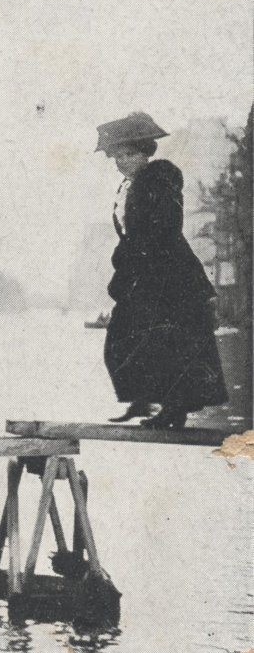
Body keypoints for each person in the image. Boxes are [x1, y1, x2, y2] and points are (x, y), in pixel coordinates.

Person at [96, 112, 227, 429]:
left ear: (145, 153)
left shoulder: (160, 179)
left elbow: (166, 226)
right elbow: (129, 233)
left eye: (128, 154)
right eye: (117, 156)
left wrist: (135, 256)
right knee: (127, 338)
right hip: (145, 273)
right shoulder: (131, 186)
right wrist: (126, 258)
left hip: (168, 275)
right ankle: (143, 399)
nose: (121, 162)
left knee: (170, 343)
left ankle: (173, 410)